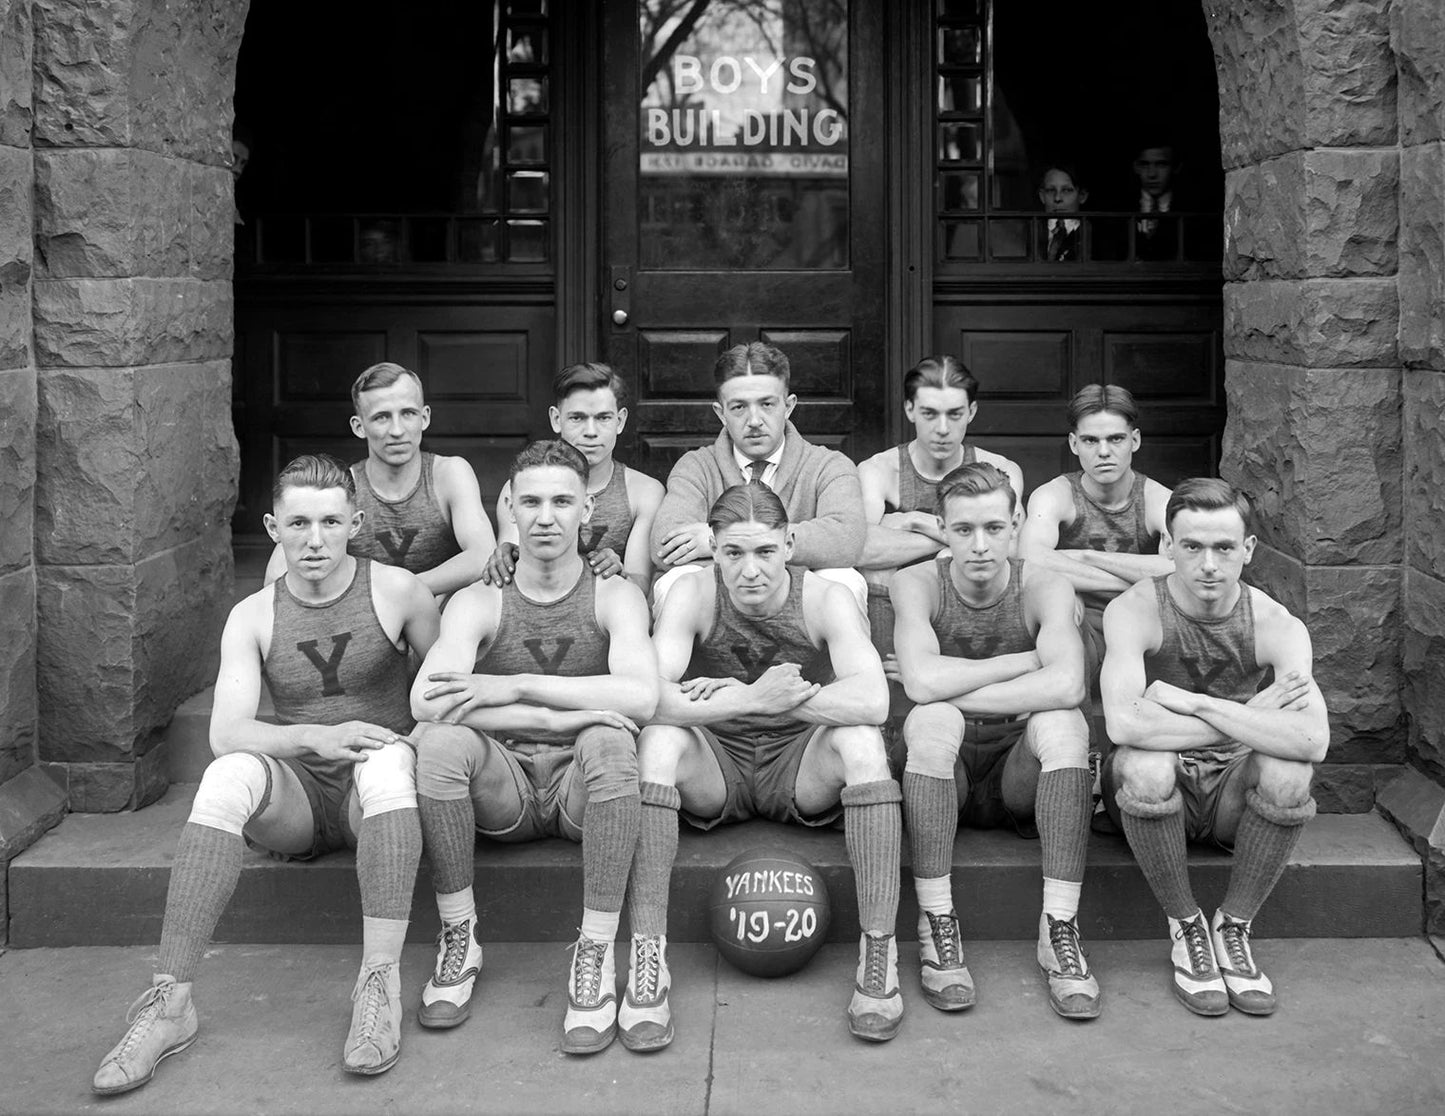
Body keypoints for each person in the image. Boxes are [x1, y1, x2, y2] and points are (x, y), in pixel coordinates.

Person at [92, 455, 441, 1094]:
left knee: (390, 759)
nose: (315, 539)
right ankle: (171, 1002)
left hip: (379, 796)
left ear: (355, 523)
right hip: (298, 799)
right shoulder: (253, 614)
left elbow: (444, 694)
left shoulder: (400, 591)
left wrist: (409, 743)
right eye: (299, 523)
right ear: (273, 528)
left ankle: (379, 987)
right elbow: (227, 733)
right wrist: (314, 737)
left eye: (330, 522)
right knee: (226, 776)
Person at [627, 483, 904, 1046]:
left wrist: (779, 702)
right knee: (657, 740)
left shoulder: (824, 598)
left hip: (799, 762)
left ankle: (879, 949)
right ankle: (647, 953)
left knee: (861, 741)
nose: (749, 570)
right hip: (718, 762)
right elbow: (646, 698)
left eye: (765, 552)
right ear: (713, 547)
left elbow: (874, 700)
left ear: (790, 544)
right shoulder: (694, 594)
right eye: (733, 552)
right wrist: (752, 698)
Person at [408, 440, 659, 1054]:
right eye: (532, 503)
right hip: (505, 787)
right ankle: (459, 935)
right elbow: (425, 702)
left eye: (562, 502)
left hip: (581, 789)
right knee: (439, 744)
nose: (546, 517)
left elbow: (642, 697)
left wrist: (512, 684)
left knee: (610, 740)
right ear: (510, 509)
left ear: (587, 510)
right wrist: (562, 710)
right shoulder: (479, 600)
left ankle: (595, 950)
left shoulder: (615, 594)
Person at [1100, 478, 1327, 1017]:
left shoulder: (1275, 623)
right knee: (1146, 763)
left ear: (1248, 549)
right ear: (1167, 546)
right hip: (1154, 794)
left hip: (1231, 794)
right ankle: (1186, 926)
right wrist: (1250, 717)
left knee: (1290, 772)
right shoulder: (1135, 610)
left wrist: (1198, 705)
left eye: (1224, 548)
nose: (1208, 564)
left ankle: (1234, 926)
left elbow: (1312, 739)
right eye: (1192, 546)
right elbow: (1125, 725)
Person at [891, 462, 1100, 1020]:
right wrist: (1025, 662)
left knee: (1064, 722)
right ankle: (936, 922)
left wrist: (950, 684)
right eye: (963, 530)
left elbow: (1069, 684)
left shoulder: (1043, 584)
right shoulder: (917, 582)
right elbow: (921, 684)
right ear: (942, 528)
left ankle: (1059, 927)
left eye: (993, 528)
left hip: (1017, 772)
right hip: (946, 770)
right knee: (932, 720)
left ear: (1015, 525)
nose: (980, 545)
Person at [649, 341, 867, 611]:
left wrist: (721, 539)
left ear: (788, 406)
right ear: (721, 413)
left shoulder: (828, 465)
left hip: (801, 597)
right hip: (723, 596)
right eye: (739, 407)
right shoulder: (696, 466)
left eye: (767, 404)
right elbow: (665, 544)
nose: (754, 420)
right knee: (676, 581)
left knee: (844, 580)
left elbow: (846, 538)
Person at [264, 362, 496, 599]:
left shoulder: (449, 473)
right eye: (381, 417)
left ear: (424, 418)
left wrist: (399, 592)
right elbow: (276, 576)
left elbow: (482, 555)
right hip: (366, 616)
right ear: (359, 426)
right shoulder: (344, 487)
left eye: (408, 413)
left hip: (442, 614)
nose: (397, 430)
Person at [1019, 384, 1172, 678]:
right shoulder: (1055, 495)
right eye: (1090, 440)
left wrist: (1087, 557)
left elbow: (1182, 569)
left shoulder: (1158, 499)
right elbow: (1030, 560)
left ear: (1134, 440)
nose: (1103, 452)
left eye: (1116, 439)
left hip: (1142, 628)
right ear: (1074, 444)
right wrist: (1134, 580)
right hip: (1075, 626)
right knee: (1057, 608)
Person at [484, 362, 664, 593]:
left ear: (619, 421)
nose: (591, 431)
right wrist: (506, 558)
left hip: (607, 607)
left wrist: (618, 573)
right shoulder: (520, 489)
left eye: (603, 418)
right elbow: (510, 582)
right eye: (577, 418)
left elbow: (639, 589)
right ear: (556, 419)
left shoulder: (643, 492)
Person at [1131, 143, 1183, 260]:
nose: (1152, 174)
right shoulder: (1120, 207)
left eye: (1161, 164)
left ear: (1176, 167)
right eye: (1144, 165)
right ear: (1136, 167)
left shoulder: (1191, 208)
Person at [1038, 163, 1088, 261]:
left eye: (1066, 190)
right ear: (1042, 196)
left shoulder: (1095, 234)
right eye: (1051, 190)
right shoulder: (1030, 231)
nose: (1057, 198)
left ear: (1082, 196)